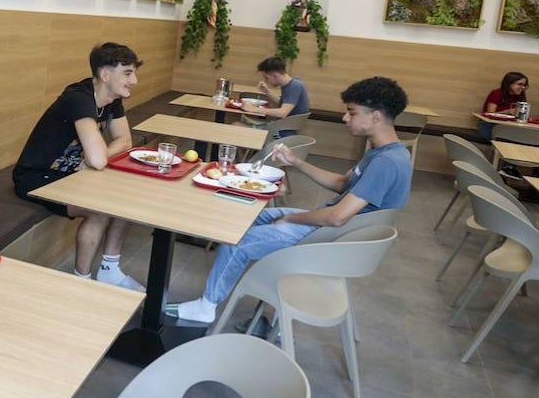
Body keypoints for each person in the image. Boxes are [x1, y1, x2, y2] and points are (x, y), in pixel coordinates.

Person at [168, 76, 412, 325]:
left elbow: (337, 217)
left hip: (330, 238)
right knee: (253, 212)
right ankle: (251, 282)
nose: (345, 118)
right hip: (333, 230)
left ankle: (206, 307)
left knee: (237, 243)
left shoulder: (386, 163)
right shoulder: (384, 152)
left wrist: (291, 218)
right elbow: (342, 183)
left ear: (376, 116)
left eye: (352, 112)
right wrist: (296, 161)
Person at [13, 43, 142, 290]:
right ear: (105, 75)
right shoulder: (79, 98)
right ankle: (80, 284)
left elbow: (125, 141)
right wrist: (97, 155)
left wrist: (100, 154)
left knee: (127, 195)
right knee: (99, 208)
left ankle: (110, 270)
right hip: (36, 177)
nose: (134, 80)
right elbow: (97, 160)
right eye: (127, 73)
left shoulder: (112, 98)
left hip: (70, 173)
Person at [243, 56, 310, 135]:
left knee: (236, 125)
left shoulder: (294, 86)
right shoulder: (291, 84)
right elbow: (281, 105)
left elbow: (282, 112)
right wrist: (267, 91)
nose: (266, 81)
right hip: (280, 128)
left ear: (275, 75)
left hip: (281, 133)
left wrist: (253, 109)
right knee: (239, 124)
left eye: (267, 78)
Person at [478, 71, 529, 140]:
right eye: (520, 84)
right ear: (509, 84)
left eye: (524, 85)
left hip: (507, 126)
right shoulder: (497, 93)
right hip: (490, 126)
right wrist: (508, 112)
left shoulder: (520, 96)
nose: (523, 87)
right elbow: (489, 114)